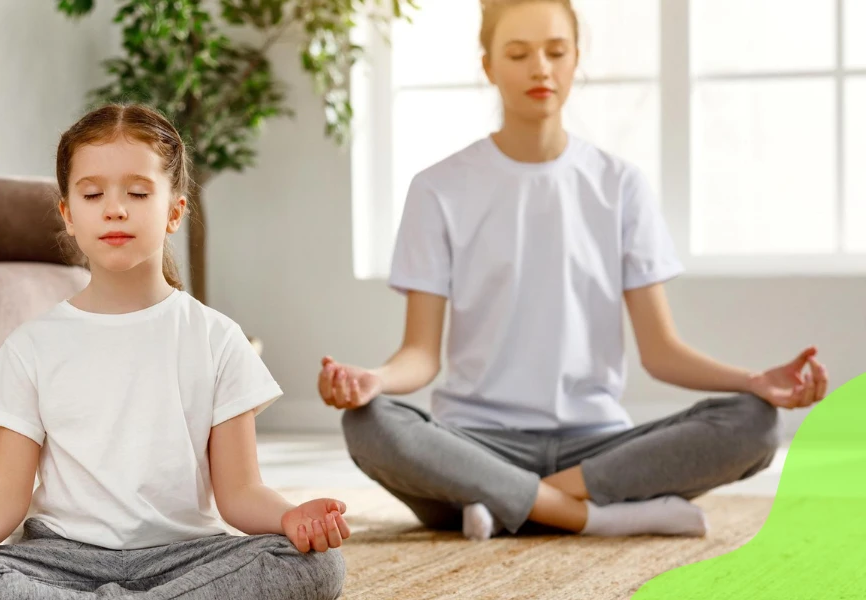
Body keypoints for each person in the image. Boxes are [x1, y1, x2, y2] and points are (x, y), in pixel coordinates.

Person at [318, 0, 830, 541]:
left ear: (575, 60)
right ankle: (592, 515)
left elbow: (661, 351)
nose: (540, 67)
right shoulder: (438, 188)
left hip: (598, 444)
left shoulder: (620, 185)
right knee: (369, 423)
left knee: (754, 423)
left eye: (556, 51)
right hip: (477, 441)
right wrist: (374, 380)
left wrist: (754, 382)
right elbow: (420, 354)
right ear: (488, 65)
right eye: (518, 54)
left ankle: (510, 502)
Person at [0, 104, 348, 600]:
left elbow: (239, 493)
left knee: (315, 565)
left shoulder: (217, 339)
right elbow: (5, 494)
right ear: (68, 214)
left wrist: (290, 518)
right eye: (92, 194)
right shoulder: (31, 346)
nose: (114, 208)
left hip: (185, 556)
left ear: (175, 210)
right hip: (58, 559)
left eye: (137, 192)